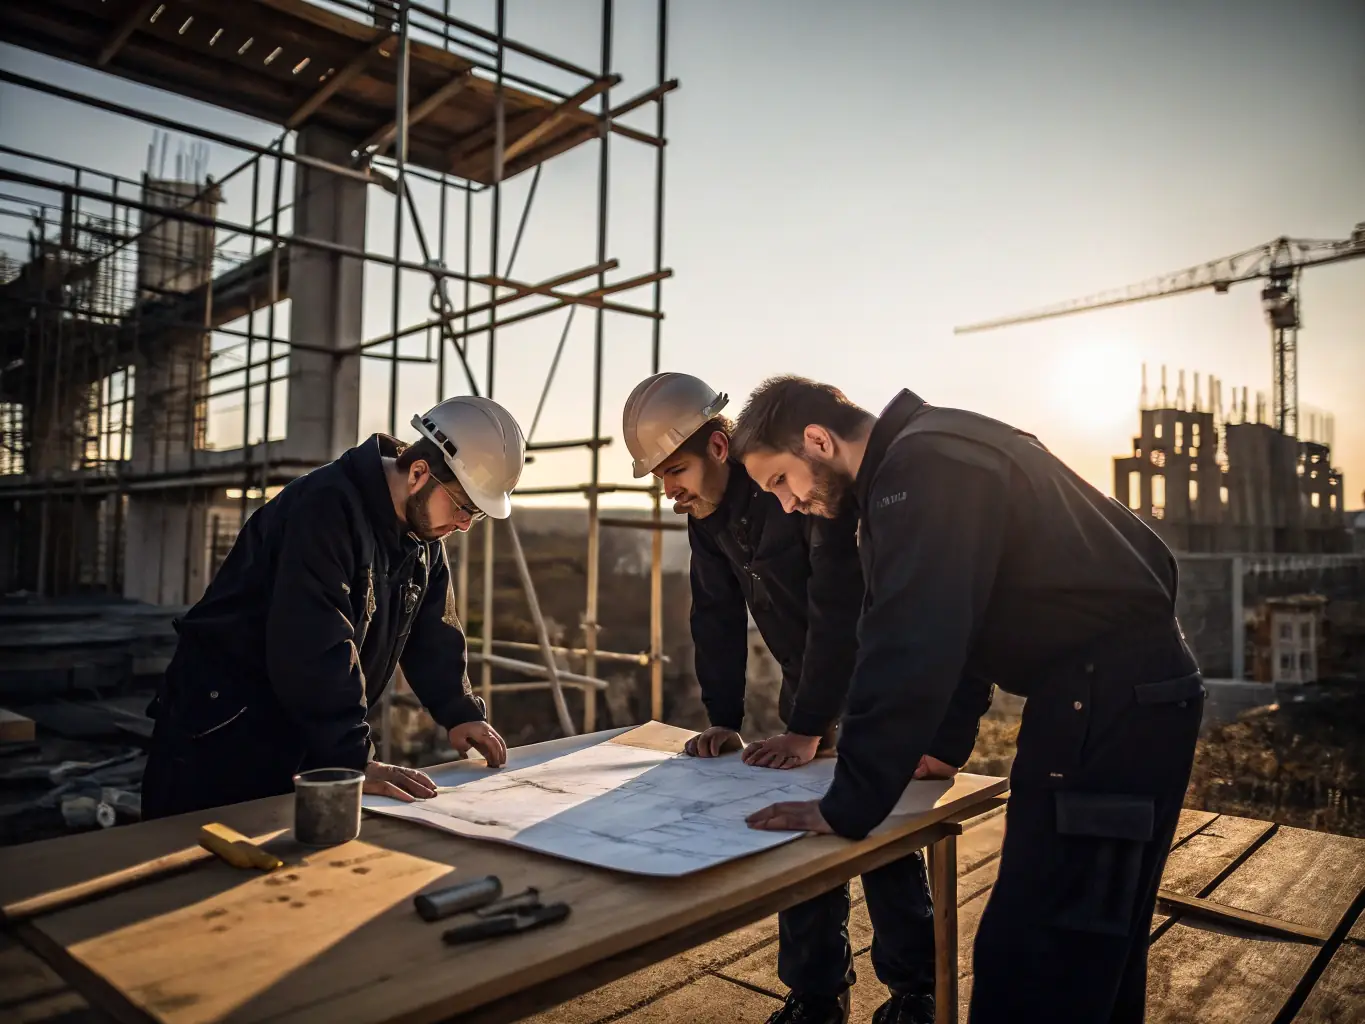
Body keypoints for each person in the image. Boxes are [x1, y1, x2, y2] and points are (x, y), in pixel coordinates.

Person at [731, 378, 1206, 1024]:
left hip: (1107, 703)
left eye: (781, 482)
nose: (786, 506)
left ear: (818, 440)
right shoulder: (935, 451)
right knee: (1091, 945)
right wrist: (941, 745)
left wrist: (849, 801)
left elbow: (910, 638)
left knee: (1033, 959)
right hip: (1110, 699)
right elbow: (962, 624)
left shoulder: (918, 471)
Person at [623, 372, 976, 1024]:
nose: (667, 490)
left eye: (673, 469)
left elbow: (837, 610)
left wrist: (811, 725)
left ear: (719, 449)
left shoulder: (802, 492)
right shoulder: (708, 518)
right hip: (805, 683)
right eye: (657, 477)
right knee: (797, 831)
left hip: (869, 678)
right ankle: (815, 997)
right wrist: (724, 720)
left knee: (877, 833)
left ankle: (916, 995)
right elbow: (714, 616)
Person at [141, 396, 526, 819]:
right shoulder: (324, 510)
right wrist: (352, 758)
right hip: (220, 739)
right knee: (191, 872)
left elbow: (432, 628)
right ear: (419, 473)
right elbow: (314, 643)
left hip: (294, 733)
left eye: (476, 514)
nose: (465, 524)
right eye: (462, 506)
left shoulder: (422, 537)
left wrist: (459, 710)